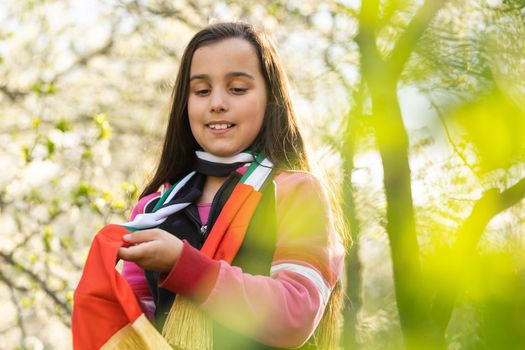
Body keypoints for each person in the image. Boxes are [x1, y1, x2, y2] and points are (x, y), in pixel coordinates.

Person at [117, 21, 346, 349]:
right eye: (201, 90)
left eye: (237, 89)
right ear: (186, 103)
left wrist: (185, 266)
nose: (217, 103)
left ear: (272, 99)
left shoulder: (295, 193)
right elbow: (132, 329)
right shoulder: (153, 209)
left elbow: (295, 313)